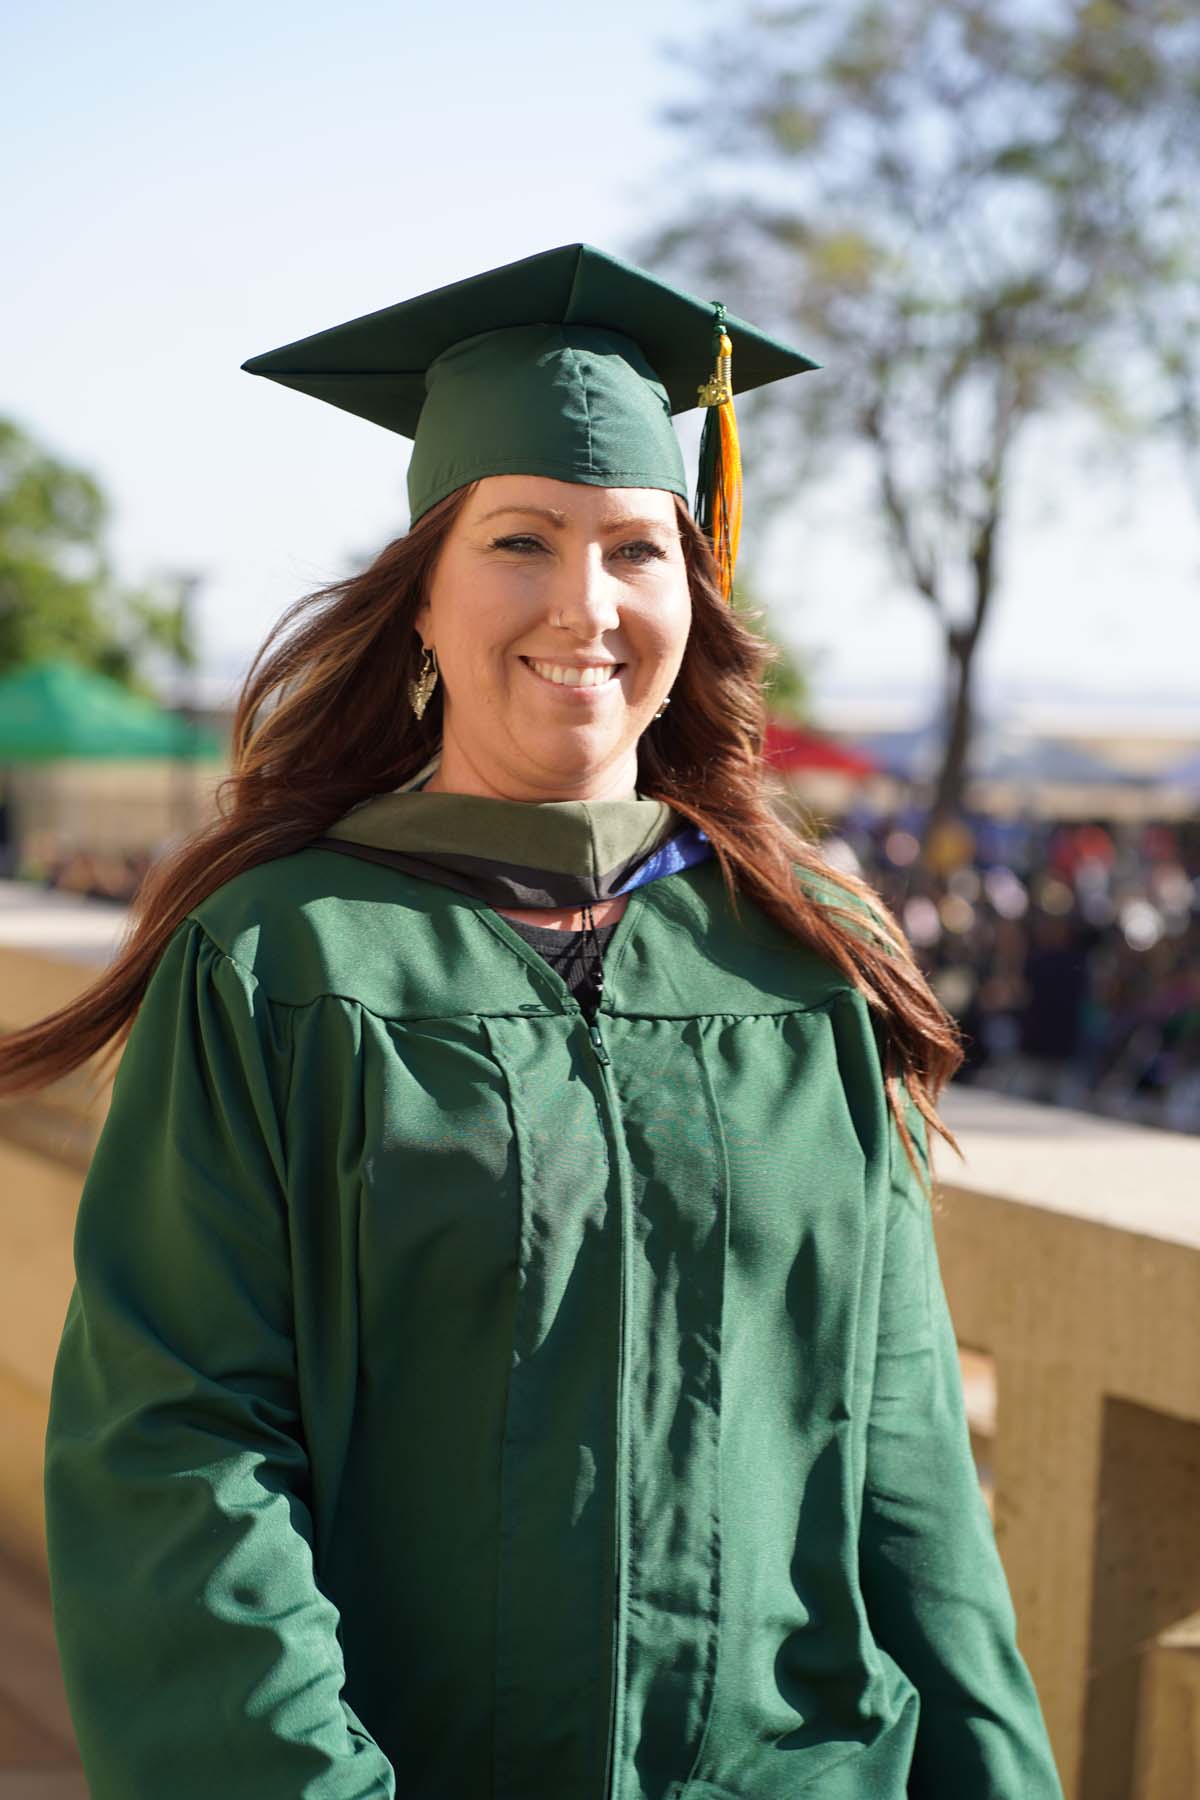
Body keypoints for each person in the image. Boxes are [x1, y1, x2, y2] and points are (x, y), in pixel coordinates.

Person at [3, 243, 1063, 1799]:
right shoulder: (283, 960)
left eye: (636, 549)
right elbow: (182, 1446)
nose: (586, 603)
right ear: (422, 603)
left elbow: (901, 1451)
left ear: (691, 597)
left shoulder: (808, 961)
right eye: (521, 540)